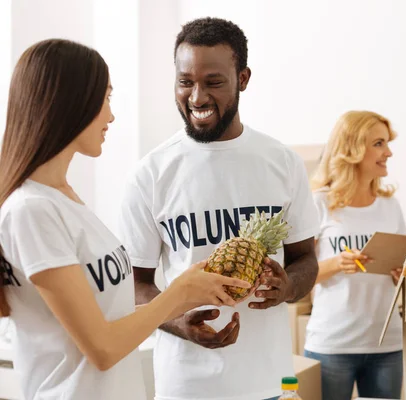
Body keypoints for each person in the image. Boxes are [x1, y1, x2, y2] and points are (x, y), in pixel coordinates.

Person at [0, 39, 250, 400]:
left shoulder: (65, 200)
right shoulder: (31, 210)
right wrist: (177, 292)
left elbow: (103, 314)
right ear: (70, 103)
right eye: (106, 99)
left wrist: (179, 309)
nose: (111, 116)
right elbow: (102, 349)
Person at [118, 17, 320, 400]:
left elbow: (305, 258)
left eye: (213, 82)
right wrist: (177, 321)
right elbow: (135, 283)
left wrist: (289, 285)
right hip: (185, 386)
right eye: (185, 82)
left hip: (270, 384)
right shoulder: (149, 174)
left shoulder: (283, 162)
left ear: (242, 78)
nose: (196, 98)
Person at [304, 110, 405, 400]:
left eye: (386, 143)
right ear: (352, 148)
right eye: (378, 144)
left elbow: (403, 268)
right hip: (332, 345)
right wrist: (337, 263)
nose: (388, 152)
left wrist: (404, 273)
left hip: (386, 344)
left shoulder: (390, 206)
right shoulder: (318, 203)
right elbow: (297, 276)